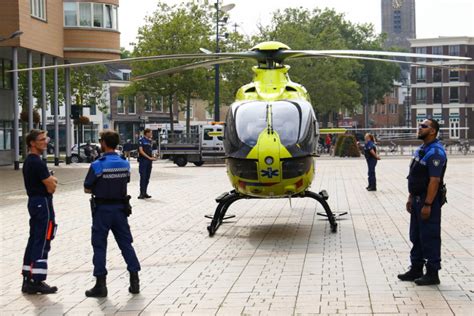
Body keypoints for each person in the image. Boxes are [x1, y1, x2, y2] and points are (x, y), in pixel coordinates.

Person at [83, 130, 141, 297]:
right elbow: (126, 180)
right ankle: (134, 280)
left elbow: (87, 187)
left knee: (100, 246)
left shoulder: (97, 164)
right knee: (126, 244)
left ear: (103, 143)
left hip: (102, 210)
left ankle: (101, 285)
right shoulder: (125, 163)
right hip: (120, 209)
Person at [398, 119, 447, 286]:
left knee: (429, 236)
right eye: (419, 125)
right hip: (417, 199)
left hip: (428, 201)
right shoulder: (422, 149)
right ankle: (416, 268)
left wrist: (427, 204)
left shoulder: (436, 152)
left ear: (433, 131)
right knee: (416, 235)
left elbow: (434, 180)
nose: (420, 128)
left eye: (424, 126)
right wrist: (411, 197)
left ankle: (432, 272)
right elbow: (415, 175)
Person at [21, 129, 58, 294]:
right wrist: (51, 180)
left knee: (34, 237)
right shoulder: (37, 162)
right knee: (43, 238)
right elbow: (51, 187)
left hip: (34, 202)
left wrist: (50, 180)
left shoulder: (29, 161)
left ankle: (27, 277)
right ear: (32, 143)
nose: (45, 142)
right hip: (42, 202)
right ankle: (37, 280)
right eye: (42, 139)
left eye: (46, 139)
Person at [138, 128, 156, 199]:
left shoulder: (150, 141)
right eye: (150, 133)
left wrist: (154, 156)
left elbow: (152, 150)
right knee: (143, 177)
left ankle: (145, 192)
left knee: (147, 177)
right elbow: (141, 151)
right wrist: (149, 157)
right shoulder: (141, 140)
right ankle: (141, 193)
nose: (151, 134)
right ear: (147, 133)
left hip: (149, 161)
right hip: (143, 161)